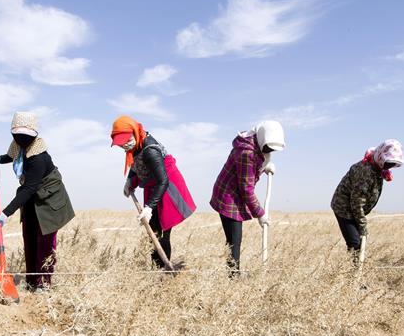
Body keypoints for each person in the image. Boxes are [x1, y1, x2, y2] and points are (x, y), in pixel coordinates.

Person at [0, 112, 75, 292]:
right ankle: (32, 282)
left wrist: (5, 213)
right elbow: (13, 156)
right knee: (29, 238)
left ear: (34, 135)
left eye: (25, 136)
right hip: (32, 198)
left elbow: (29, 187)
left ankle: (43, 284)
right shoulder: (18, 147)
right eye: (17, 135)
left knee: (45, 244)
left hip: (49, 201)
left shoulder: (39, 157)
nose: (21, 139)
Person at [110, 115, 196, 268]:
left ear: (134, 132)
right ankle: (157, 269)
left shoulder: (151, 151)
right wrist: (130, 180)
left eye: (126, 141)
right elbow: (136, 162)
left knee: (162, 233)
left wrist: (149, 207)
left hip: (166, 188)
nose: (124, 146)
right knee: (153, 231)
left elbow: (163, 181)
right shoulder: (136, 143)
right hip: (153, 185)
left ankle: (163, 271)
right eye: (121, 144)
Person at [210, 121, 285, 274]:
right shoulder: (246, 153)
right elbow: (246, 189)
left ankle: (233, 273)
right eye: (269, 147)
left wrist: (265, 166)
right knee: (234, 240)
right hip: (228, 196)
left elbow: (254, 166)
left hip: (236, 192)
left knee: (234, 240)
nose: (269, 151)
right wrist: (260, 214)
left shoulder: (254, 143)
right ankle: (233, 276)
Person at [331, 140, 404, 262]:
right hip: (344, 208)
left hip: (354, 209)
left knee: (359, 242)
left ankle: (356, 267)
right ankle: (353, 271)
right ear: (381, 156)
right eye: (388, 163)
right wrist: (362, 224)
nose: (389, 166)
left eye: (392, 164)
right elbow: (357, 202)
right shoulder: (365, 172)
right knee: (355, 243)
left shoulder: (376, 167)